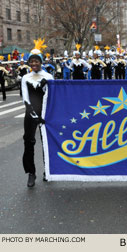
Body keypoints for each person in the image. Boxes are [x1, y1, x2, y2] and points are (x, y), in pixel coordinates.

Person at [21, 40, 54, 187]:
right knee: (29, 142)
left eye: (36, 61)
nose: (34, 64)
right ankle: (31, 173)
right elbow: (26, 98)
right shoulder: (25, 78)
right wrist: (32, 113)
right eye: (32, 61)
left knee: (47, 142)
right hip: (31, 114)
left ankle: (47, 171)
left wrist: (44, 115)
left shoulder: (48, 77)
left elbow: (52, 97)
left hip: (46, 114)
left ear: (41, 62)